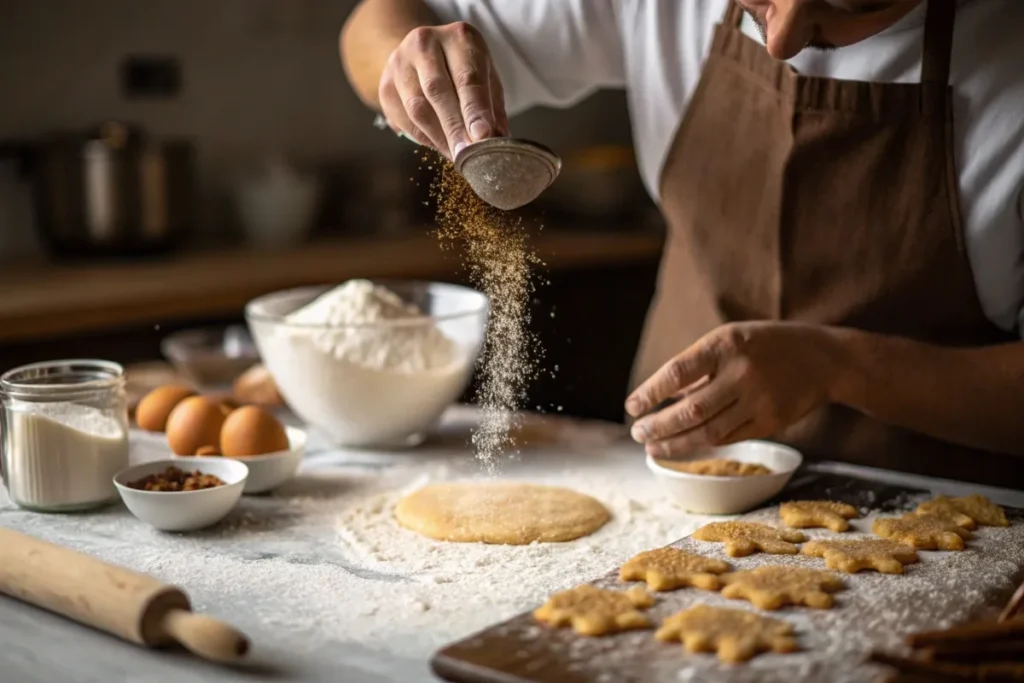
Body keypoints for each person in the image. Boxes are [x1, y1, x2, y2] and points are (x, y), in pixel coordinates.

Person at [339, 0, 1024, 487]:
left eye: (850, 3)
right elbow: (375, 22)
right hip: (669, 498)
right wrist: (412, 60)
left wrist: (839, 365)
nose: (782, 36)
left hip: (942, 530)